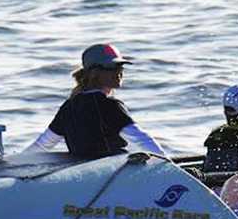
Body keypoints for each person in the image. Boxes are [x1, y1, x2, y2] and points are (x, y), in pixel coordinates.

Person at [24, 43, 166, 159]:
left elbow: (42, 146)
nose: (119, 72)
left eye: (120, 66)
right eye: (112, 67)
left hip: (88, 177)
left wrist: (11, 164)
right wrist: (169, 165)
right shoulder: (109, 106)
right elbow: (142, 140)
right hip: (113, 174)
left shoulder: (69, 106)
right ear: (94, 73)